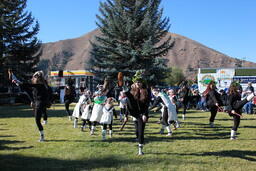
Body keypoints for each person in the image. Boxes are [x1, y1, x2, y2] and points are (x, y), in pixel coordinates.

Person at [11, 70, 49, 142]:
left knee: (37, 120)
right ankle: (42, 135)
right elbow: (26, 87)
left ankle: (42, 136)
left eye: (34, 77)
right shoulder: (37, 86)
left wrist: (18, 82)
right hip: (38, 103)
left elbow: (28, 85)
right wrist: (16, 82)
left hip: (40, 104)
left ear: (37, 78)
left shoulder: (40, 85)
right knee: (37, 120)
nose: (32, 78)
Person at [124, 70, 150, 155]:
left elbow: (147, 104)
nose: (138, 84)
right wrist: (126, 115)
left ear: (142, 83)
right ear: (134, 83)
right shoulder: (131, 91)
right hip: (134, 112)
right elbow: (127, 97)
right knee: (138, 131)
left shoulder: (146, 91)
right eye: (136, 82)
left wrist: (145, 114)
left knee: (141, 131)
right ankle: (139, 143)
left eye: (139, 82)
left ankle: (140, 150)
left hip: (142, 114)